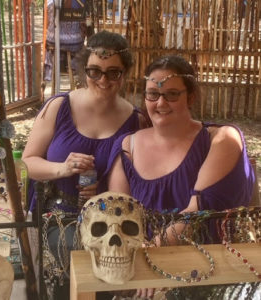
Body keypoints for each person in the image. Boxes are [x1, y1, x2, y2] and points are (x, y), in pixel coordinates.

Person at [106, 55, 255, 298]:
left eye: (172, 94)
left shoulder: (222, 139)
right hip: (141, 269)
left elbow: (196, 213)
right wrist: (139, 267)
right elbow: (118, 215)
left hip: (211, 270)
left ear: (191, 96)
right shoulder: (127, 147)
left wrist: (151, 258)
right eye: (152, 94)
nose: (161, 102)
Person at [22, 30, 148, 299]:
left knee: (103, 283)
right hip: (56, 218)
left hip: (110, 226)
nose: (103, 80)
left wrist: (105, 190)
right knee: (62, 285)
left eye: (113, 72)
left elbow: (141, 178)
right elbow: (27, 163)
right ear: (84, 71)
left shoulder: (136, 120)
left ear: (125, 74)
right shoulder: (59, 106)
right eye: (95, 71)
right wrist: (62, 169)